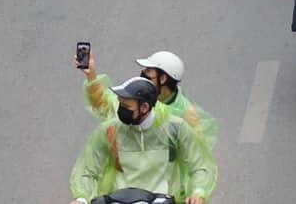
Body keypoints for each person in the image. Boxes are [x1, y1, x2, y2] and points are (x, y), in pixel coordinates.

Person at [65, 75, 216, 204]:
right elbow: (88, 169)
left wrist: (198, 192)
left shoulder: (175, 128)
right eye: (120, 103)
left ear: (144, 107)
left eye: (126, 105)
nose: (120, 109)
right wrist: (81, 198)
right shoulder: (109, 130)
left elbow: (199, 165)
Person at [81, 50, 219, 150]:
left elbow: (198, 153)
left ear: (163, 78)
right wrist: (91, 76)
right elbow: (104, 105)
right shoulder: (133, 98)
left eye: (148, 72)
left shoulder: (186, 114)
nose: (143, 74)